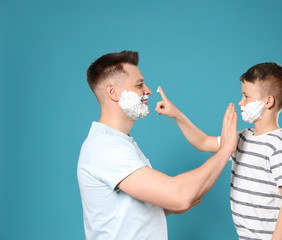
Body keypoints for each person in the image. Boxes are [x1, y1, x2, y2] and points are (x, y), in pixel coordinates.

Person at [77, 50, 238, 240]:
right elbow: (179, 196)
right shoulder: (106, 146)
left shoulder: (121, 142)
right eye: (139, 84)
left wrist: (167, 207)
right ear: (113, 92)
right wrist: (225, 149)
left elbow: (129, 213)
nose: (148, 90)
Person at [155, 62, 282, 240]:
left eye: (246, 96)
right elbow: (202, 142)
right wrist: (176, 114)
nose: (241, 102)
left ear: (268, 101)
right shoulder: (241, 138)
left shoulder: (279, 147)